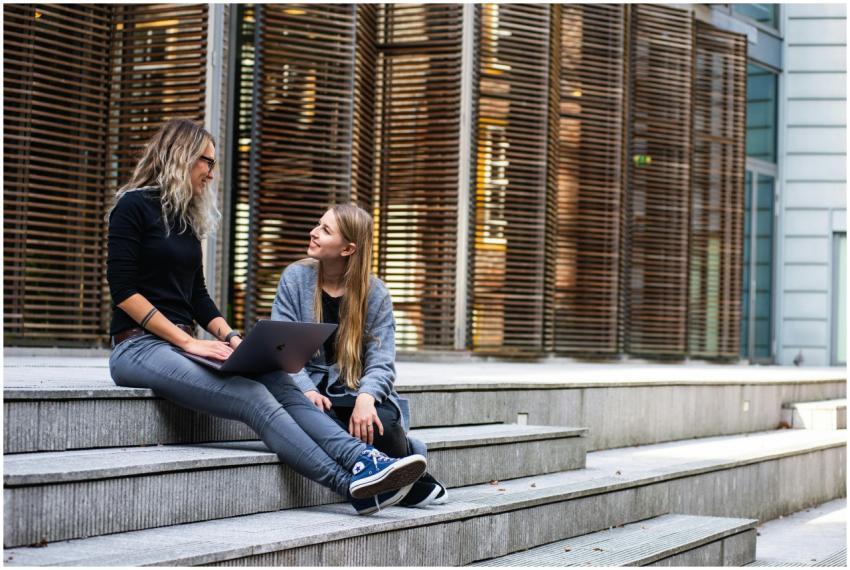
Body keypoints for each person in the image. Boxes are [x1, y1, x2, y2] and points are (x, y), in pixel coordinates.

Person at [106, 118, 426, 515]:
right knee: (253, 397)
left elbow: (198, 298)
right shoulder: (132, 206)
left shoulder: (186, 220)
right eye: (207, 161)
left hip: (182, 347)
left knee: (274, 375)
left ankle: (364, 459)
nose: (212, 171)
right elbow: (123, 292)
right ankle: (350, 485)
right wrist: (188, 341)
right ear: (181, 157)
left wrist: (234, 339)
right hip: (137, 347)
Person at [271, 203, 447, 508]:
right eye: (318, 224)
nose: (313, 233)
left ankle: (399, 460)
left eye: (325, 230)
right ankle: (411, 479)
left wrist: (367, 398)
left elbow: (382, 360)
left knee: (383, 423)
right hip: (308, 388)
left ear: (348, 249)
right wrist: (307, 389)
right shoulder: (295, 278)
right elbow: (282, 345)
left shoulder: (375, 292)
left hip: (353, 390)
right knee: (315, 419)